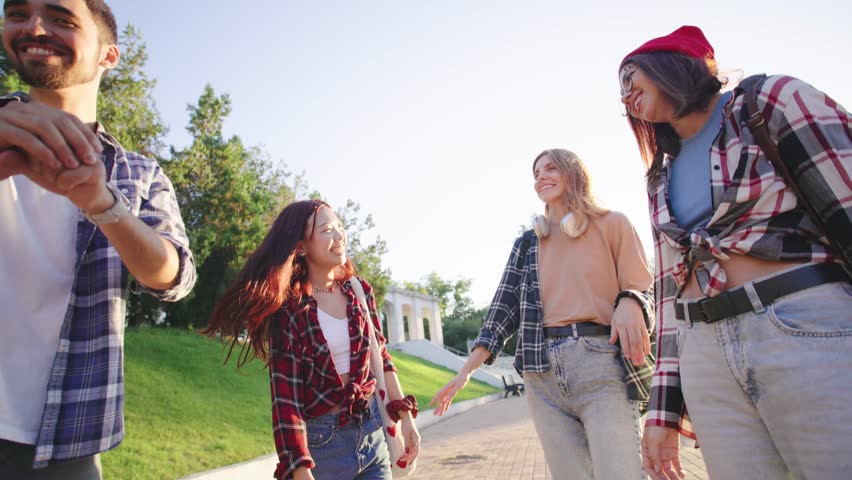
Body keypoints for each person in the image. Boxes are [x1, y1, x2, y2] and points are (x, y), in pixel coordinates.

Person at [618, 26, 852, 480]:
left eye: (630, 79)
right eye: (620, 92)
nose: (625, 97)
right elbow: (669, 299)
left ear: (673, 64)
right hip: (705, 357)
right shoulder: (659, 178)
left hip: (802, 325)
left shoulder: (770, 101)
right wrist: (663, 412)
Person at [0, 0, 197, 478]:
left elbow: (175, 277)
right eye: (17, 13)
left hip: (69, 438)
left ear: (109, 56)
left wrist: (104, 204)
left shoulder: (138, 172)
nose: (34, 27)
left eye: (61, 19)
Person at [430, 149, 655, 479]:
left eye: (550, 169)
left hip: (601, 364)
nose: (541, 178)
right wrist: (466, 371)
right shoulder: (527, 243)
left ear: (573, 172)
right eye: (536, 174)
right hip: (541, 375)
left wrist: (630, 302)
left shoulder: (613, 224)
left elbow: (643, 286)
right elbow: (501, 313)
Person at [205, 200, 420, 480]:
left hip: (371, 436)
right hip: (323, 448)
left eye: (339, 227)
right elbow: (286, 400)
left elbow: (382, 358)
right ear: (301, 246)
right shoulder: (289, 310)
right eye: (327, 230)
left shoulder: (359, 290)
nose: (339, 236)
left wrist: (406, 417)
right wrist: (299, 468)